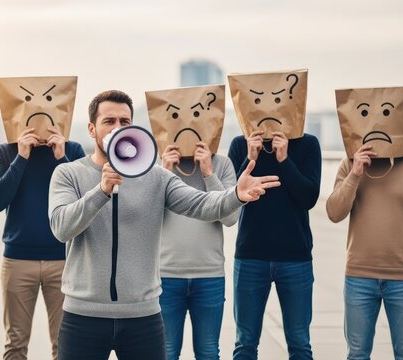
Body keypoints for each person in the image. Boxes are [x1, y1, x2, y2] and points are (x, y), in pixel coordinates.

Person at [48, 90, 280, 360]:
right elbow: (61, 227)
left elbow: (201, 205)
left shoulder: (156, 176)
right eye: (109, 121)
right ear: (92, 129)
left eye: (125, 122)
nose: (117, 128)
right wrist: (101, 191)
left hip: (143, 318)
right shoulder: (68, 173)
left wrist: (236, 195)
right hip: (82, 317)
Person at [326, 145, 403, 359]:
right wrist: (355, 174)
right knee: (357, 354)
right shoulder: (350, 163)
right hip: (359, 277)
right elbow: (334, 213)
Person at [0, 126, 85, 360]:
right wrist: (21, 157)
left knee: (65, 345)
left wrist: (62, 159)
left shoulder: (72, 149)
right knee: (15, 344)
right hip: (17, 260)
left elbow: (86, 201)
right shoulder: (6, 151)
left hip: (64, 260)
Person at [227, 130, 321, 359]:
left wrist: (284, 160)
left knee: (299, 343)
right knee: (245, 344)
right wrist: (251, 158)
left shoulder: (308, 144)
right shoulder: (240, 144)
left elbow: (308, 198)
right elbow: (229, 200)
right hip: (250, 256)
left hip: (295, 257)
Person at [159, 142, 239, 360]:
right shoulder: (156, 165)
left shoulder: (222, 164)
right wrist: (164, 174)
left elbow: (231, 218)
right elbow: (147, 217)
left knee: (208, 351)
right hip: (166, 275)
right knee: (165, 351)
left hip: (209, 275)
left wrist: (209, 174)